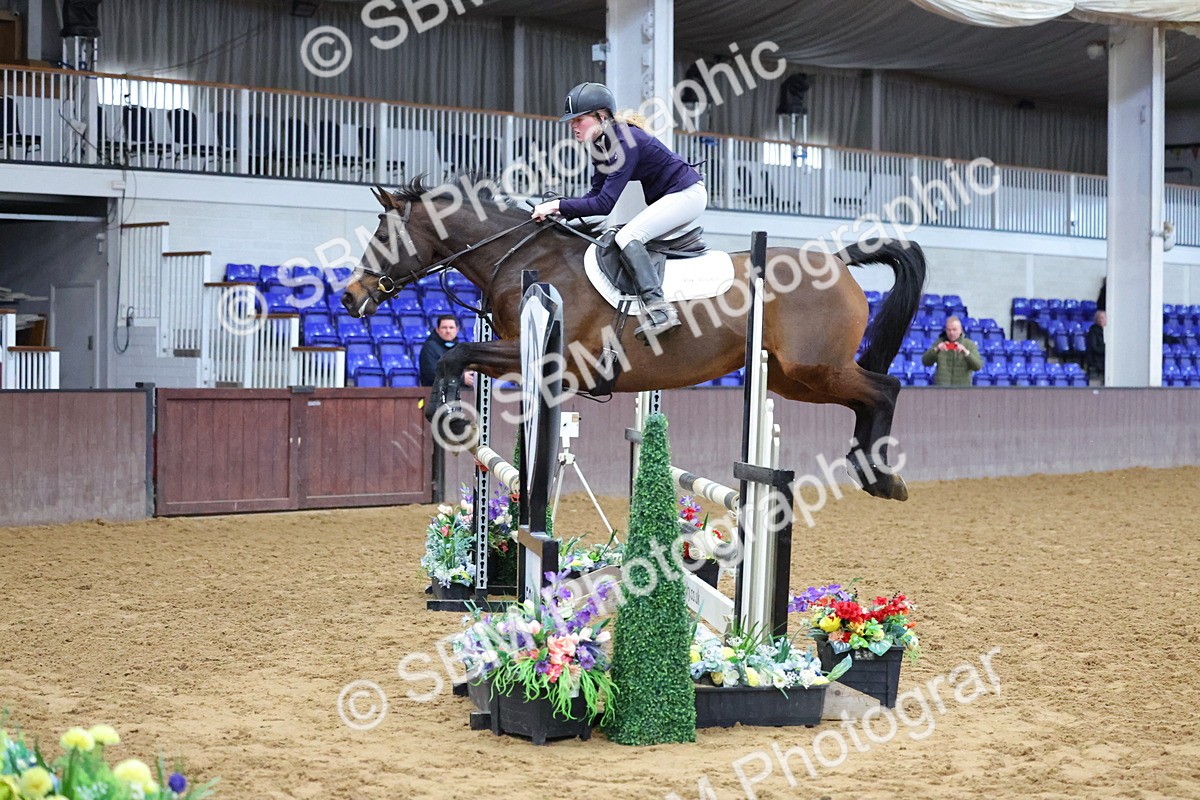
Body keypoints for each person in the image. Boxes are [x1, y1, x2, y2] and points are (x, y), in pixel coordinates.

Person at [530, 81, 707, 341]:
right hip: (673, 197)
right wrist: (560, 210)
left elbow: (604, 205)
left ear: (601, 116)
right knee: (620, 233)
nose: (573, 125)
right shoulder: (600, 145)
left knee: (627, 237)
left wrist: (557, 205)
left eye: (579, 119)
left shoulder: (625, 140)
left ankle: (660, 311)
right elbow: (594, 196)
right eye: (571, 120)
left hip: (687, 195)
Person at [921, 316, 983, 386]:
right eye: (949, 330)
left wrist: (966, 353)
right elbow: (925, 362)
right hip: (942, 389)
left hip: (962, 389)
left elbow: (978, 366)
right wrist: (936, 350)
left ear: (960, 330)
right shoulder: (939, 343)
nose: (951, 333)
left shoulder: (969, 345)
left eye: (954, 330)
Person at [419, 314, 474, 388]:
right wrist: (461, 379)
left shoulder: (461, 348)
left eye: (451, 328)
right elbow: (432, 375)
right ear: (437, 330)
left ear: (457, 330)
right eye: (444, 328)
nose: (448, 331)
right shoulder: (429, 348)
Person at [1086, 309, 1105, 380]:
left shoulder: (1109, 332)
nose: (1100, 320)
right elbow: (1094, 347)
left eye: (1102, 318)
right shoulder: (1093, 331)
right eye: (1099, 318)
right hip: (1096, 364)